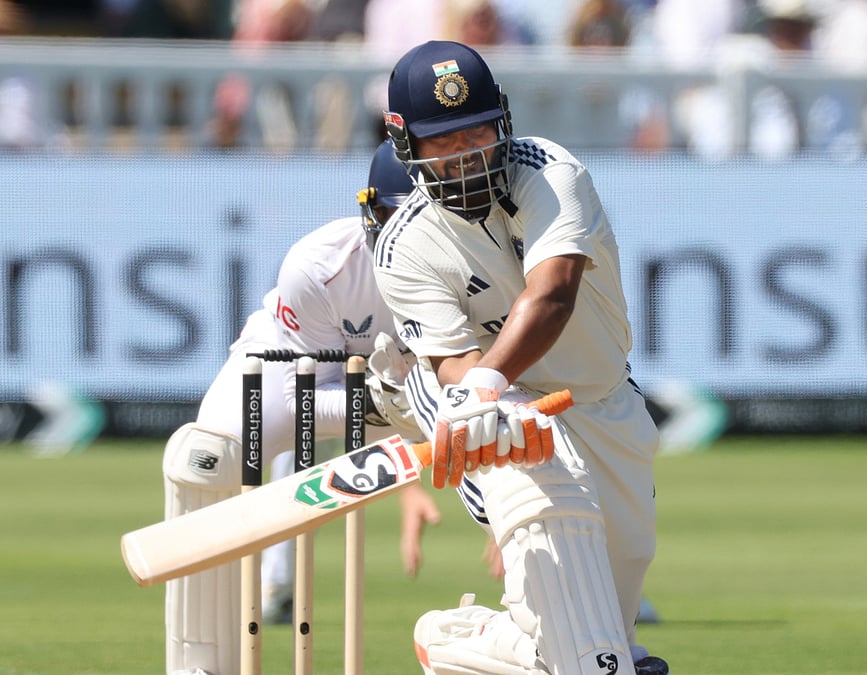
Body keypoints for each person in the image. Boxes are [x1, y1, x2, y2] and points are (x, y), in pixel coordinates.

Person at [375, 40, 668, 674]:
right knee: (591, 654)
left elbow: (554, 294)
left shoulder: (550, 171)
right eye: (445, 142)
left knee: (601, 638)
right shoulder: (404, 245)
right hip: (513, 413)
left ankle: (456, 640)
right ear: (405, 143)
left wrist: (479, 380)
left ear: (502, 120)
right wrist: (479, 394)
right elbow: (449, 360)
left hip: (603, 399)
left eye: (478, 131)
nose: (469, 155)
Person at [162, 140, 441, 675]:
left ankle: (568, 622)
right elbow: (302, 400)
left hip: (382, 388)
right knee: (204, 459)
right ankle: (199, 659)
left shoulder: (468, 267)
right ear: (370, 210)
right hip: (284, 364)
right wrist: (391, 406)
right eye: (394, 217)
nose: (407, 238)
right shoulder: (320, 265)